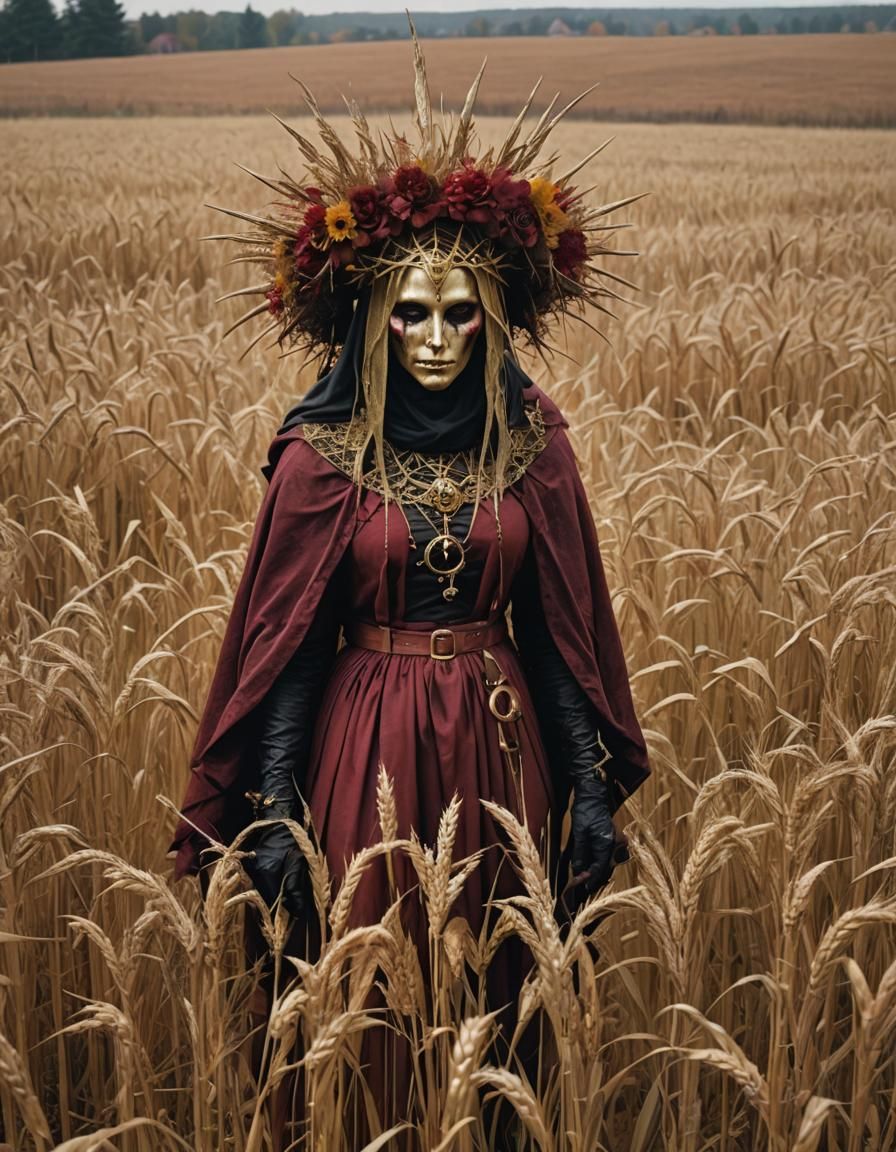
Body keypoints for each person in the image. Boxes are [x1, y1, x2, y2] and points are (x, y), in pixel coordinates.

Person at [170, 33, 650, 1150]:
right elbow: (286, 643)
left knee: (494, 1017)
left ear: (496, 317)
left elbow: (561, 634)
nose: (436, 339)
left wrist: (583, 790)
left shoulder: (531, 444)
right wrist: (277, 809)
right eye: (410, 311)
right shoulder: (319, 456)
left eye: (461, 312)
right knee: (370, 1010)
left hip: (499, 753)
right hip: (361, 754)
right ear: (366, 317)